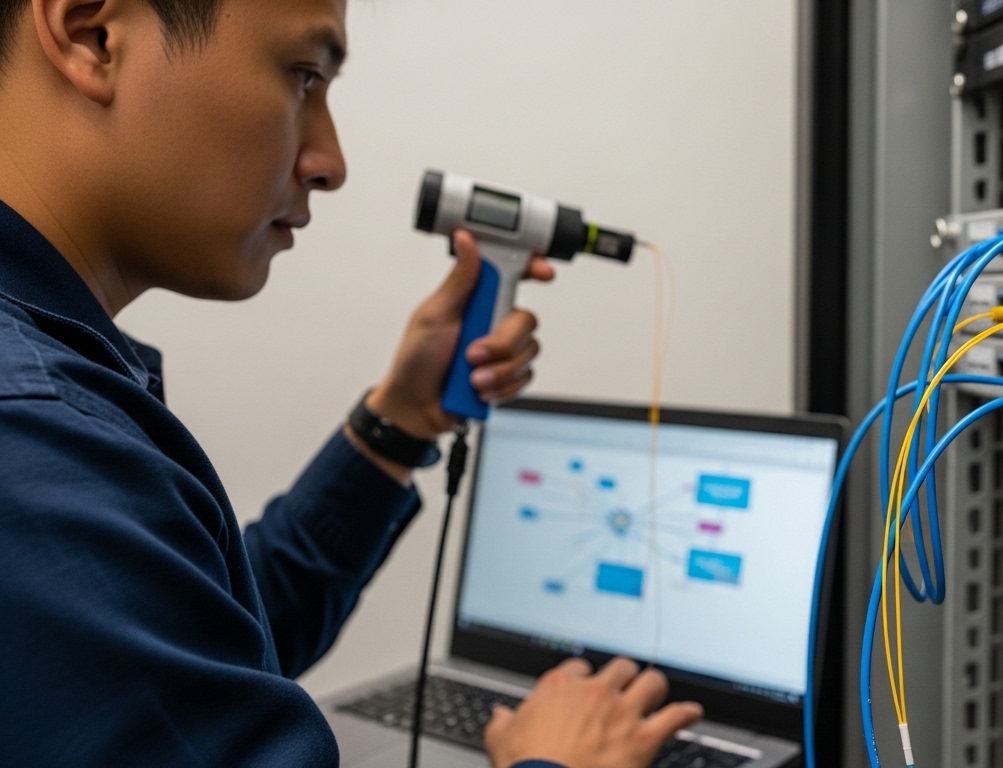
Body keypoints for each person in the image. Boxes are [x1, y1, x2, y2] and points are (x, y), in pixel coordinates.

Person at [0, 0, 704, 765]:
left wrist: (397, 423)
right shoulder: (34, 446)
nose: (331, 162)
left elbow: (194, 642)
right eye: (304, 75)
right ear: (92, 36)